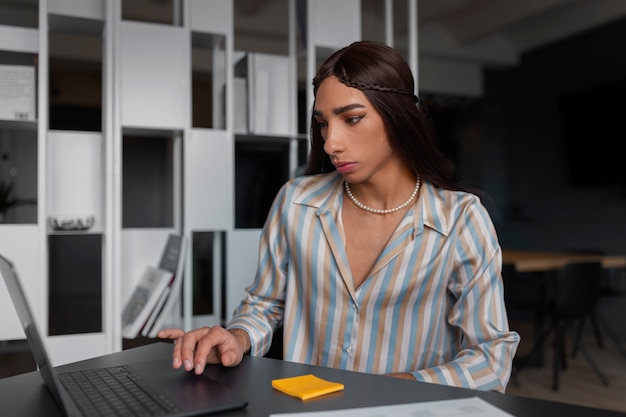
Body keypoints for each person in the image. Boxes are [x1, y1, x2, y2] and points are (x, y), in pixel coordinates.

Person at [159, 40, 520, 392]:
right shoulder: (296, 202)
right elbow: (266, 304)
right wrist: (236, 338)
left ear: (397, 118)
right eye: (322, 124)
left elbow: (490, 358)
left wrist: (393, 388)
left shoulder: (460, 220)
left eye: (352, 119)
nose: (331, 143)